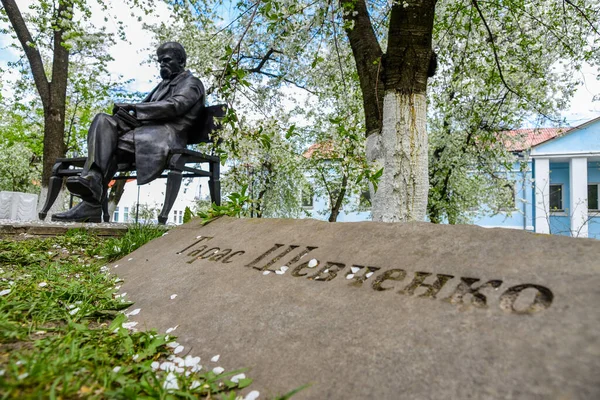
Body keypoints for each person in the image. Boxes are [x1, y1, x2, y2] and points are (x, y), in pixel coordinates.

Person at [52, 42, 204, 222]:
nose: (162, 65)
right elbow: (148, 108)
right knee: (103, 120)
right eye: (159, 62)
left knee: (111, 146)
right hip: (145, 130)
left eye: (166, 60)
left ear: (181, 60)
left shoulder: (192, 83)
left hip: (165, 136)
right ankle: (91, 185)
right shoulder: (163, 85)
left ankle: (91, 200)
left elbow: (175, 106)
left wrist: (134, 108)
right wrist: (125, 115)